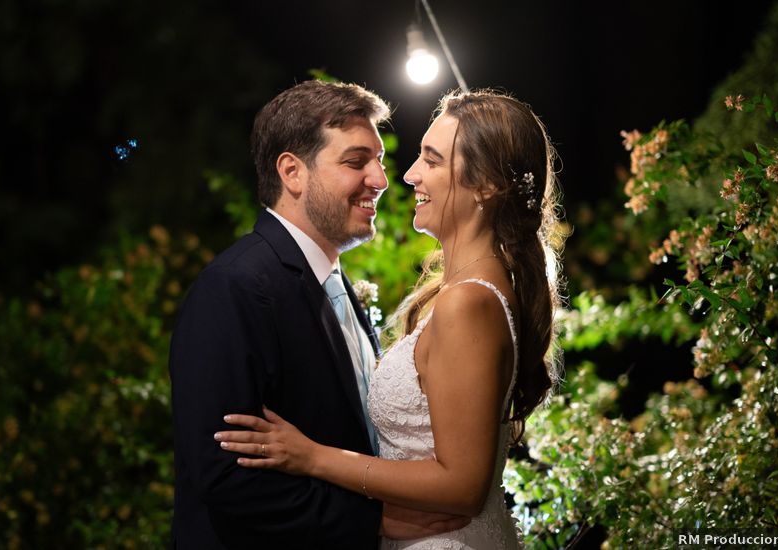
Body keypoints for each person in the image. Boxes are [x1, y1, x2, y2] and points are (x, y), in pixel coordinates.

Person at [215, 89, 563, 549]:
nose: (409, 175)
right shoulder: (462, 294)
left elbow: (462, 485)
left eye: (433, 161)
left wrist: (313, 457)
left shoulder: (468, 304)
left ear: (487, 186)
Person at [170, 80, 468, 550]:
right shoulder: (234, 287)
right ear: (292, 172)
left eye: (380, 161)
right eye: (355, 162)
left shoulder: (336, 283)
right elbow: (225, 474)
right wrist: (372, 521)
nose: (380, 179)